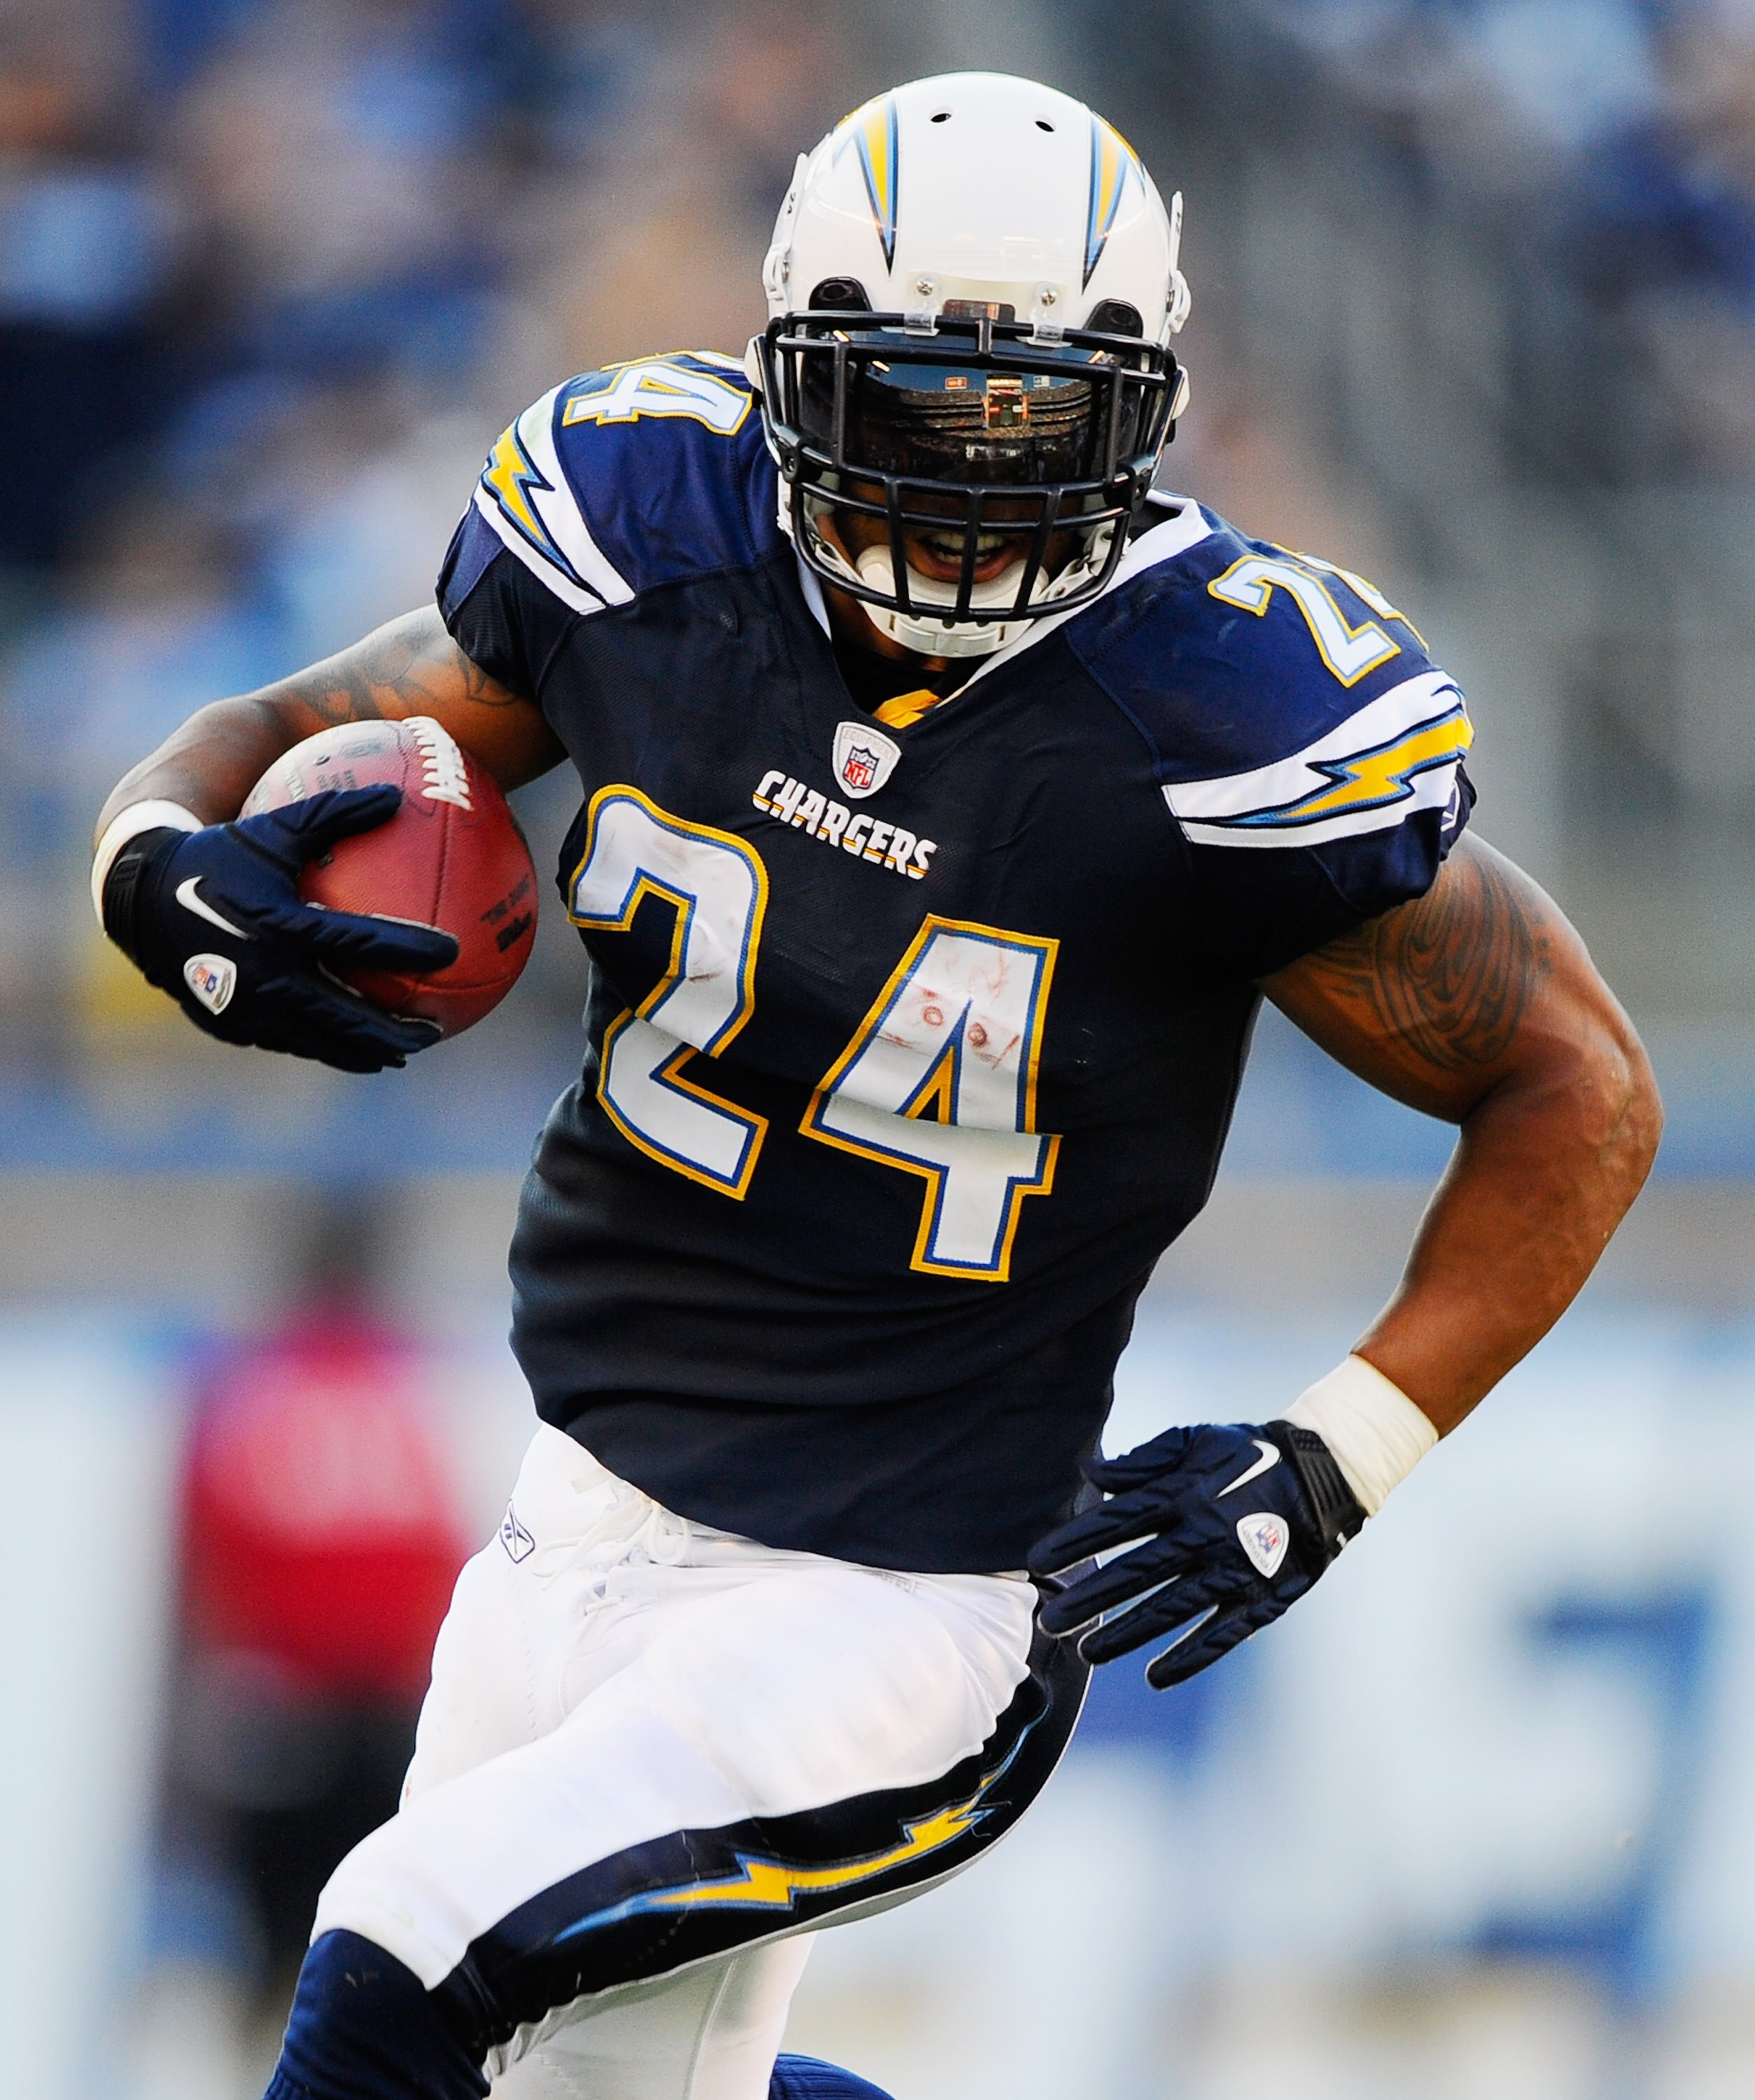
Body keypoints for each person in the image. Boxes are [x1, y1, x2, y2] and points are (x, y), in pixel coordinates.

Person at [91, 72, 1660, 2100]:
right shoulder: (641, 532)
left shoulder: (1224, 711)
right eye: (917, 413)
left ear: (1149, 412)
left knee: (397, 1957)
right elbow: (292, 724)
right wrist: (162, 856)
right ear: (786, 369)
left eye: (1042, 429)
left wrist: (1341, 1452)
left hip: (892, 1609)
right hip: (574, 1514)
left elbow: (1576, 1084)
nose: (974, 493)